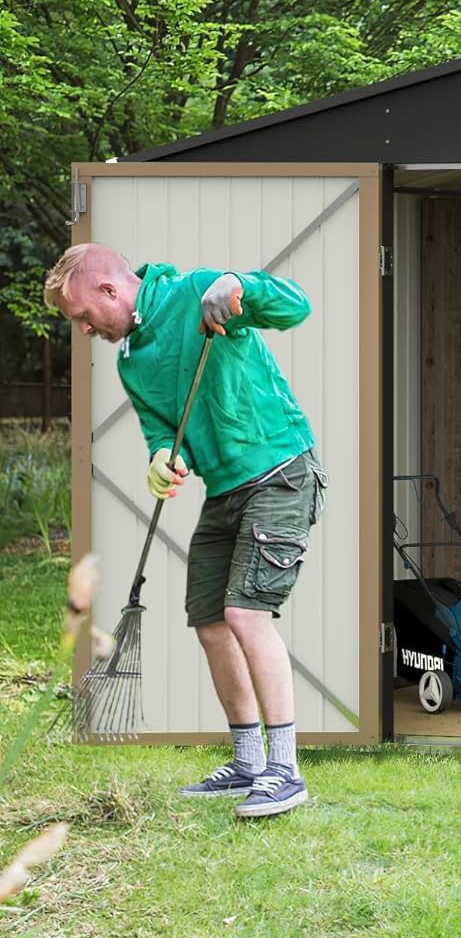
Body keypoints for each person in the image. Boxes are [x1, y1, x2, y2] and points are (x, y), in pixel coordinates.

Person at [45, 244, 326, 818]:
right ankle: (248, 761)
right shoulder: (130, 361)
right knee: (210, 623)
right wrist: (159, 459)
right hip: (224, 490)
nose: (82, 329)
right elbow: (159, 430)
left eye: (81, 316)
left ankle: (285, 770)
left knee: (247, 615)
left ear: (108, 292)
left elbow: (296, 308)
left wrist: (235, 283)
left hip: (279, 471)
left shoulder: (196, 291)